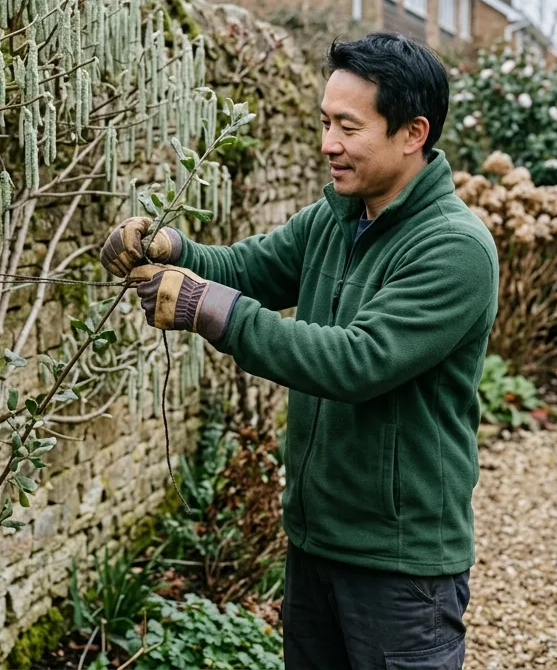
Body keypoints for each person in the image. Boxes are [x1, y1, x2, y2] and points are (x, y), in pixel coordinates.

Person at [99, 33, 499, 670]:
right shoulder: (338, 214)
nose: (327, 144)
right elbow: (248, 269)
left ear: (413, 132)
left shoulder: (453, 248)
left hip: (400, 568)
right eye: (323, 122)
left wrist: (211, 310)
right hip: (315, 547)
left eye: (348, 126)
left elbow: (356, 362)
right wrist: (172, 249)